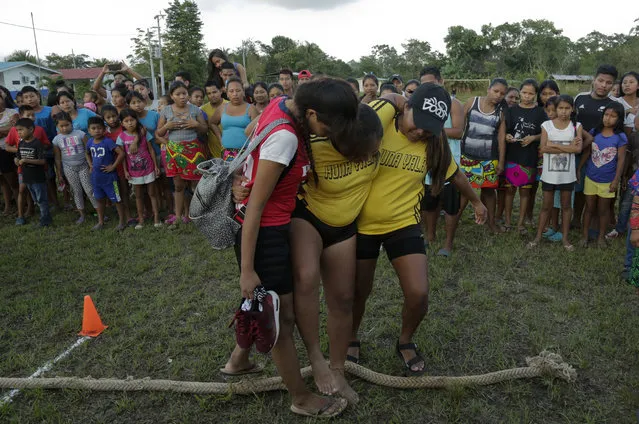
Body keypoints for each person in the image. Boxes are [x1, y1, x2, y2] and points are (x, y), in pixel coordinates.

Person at [223, 78, 360, 418]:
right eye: (328, 127)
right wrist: (247, 269)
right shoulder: (286, 137)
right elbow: (256, 208)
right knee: (280, 316)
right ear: (311, 113)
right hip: (263, 234)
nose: (330, 134)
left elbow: (252, 133)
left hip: (272, 227)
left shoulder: (283, 104)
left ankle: (238, 361)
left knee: (265, 304)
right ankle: (300, 397)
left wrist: (245, 172)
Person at [351, 84, 487, 378]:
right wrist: (390, 98)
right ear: (406, 107)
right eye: (419, 123)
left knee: (418, 293)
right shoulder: (380, 123)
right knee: (359, 291)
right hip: (361, 224)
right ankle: (350, 337)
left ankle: (405, 340)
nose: (422, 132)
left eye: (430, 128)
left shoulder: (433, 143)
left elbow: (455, 174)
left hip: (403, 222)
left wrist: (477, 202)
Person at [289, 103, 382, 402]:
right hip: (308, 216)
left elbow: (395, 101)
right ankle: (317, 360)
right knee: (306, 279)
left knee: (343, 298)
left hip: (345, 225)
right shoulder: (311, 141)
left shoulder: (373, 129)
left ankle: (338, 369)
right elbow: (259, 131)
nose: (369, 157)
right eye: (361, 153)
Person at [529, 95, 591, 250]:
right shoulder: (547, 125)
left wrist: (553, 145)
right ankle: (537, 237)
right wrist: (566, 147)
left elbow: (577, 149)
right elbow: (543, 148)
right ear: (555, 109)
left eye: (567, 108)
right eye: (561, 108)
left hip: (567, 175)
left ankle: (565, 239)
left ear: (572, 109)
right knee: (546, 206)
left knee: (566, 206)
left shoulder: (577, 126)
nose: (564, 112)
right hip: (549, 174)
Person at [419, 67, 466, 257]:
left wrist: (431, 129)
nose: (428, 88)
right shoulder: (421, 103)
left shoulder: (454, 104)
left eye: (432, 83)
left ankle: (447, 244)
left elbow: (458, 131)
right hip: (427, 161)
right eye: (424, 85)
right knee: (429, 204)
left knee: (451, 206)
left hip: (449, 162)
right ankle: (429, 237)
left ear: (441, 81)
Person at [573, 64, 620, 230]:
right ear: (594, 80)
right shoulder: (580, 98)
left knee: (596, 191)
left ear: (613, 85)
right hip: (579, 150)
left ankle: (594, 224)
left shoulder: (615, 103)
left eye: (609, 83)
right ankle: (576, 219)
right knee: (579, 187)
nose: (603, 85)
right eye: (600, 80)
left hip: (601, 155)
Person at [458, 78, 508, 233]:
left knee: (489, 191)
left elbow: (501, 139)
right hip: (467, 157)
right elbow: (459, 126)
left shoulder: (500, 113)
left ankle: (491, 224)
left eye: (502, 93)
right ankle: (454, 219)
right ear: (488, 89)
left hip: (488, 159)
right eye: (496, 91)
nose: (498, 95)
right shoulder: (472, 102)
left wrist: (501, 161)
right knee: (465, 192)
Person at [155, 81, 208, 228]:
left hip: (193, 151)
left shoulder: (195, 110)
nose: (182, 97)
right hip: (174, 151)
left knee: (196, 184)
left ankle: (199, 215)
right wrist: (167, 126)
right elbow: (158, 132)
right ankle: (178, 216)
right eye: (178, 94)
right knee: (178, 186)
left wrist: (196, 125)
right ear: (172, 96)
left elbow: (204, 129)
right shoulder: (165, 111)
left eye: (184, 93)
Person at [579, 102, 627, 247]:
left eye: (613, 116)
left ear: (619, 119)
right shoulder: (595, 132)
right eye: (606, 114)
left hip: (607, 180)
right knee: (589, 208)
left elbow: (621, 161)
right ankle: (585, 236)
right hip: (590, 177)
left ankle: (601, 237)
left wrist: (615, 180)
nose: (608, 118)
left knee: (603, 210)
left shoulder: (620, 137)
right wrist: (579, 168)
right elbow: (588, 152)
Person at [502, 79, 547, 234]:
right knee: (509, 190)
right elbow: (504, 129)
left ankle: (520, 224)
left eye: (531, 93)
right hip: (512, 155)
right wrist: (507, 136)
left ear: (536, 95)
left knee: (525, 191)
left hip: (529, 157)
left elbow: (545, 133)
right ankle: (507, 222)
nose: (527, 96)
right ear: (520, 92)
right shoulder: (511, 110)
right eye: (524, 92)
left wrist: (533, 138)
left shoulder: (540, 112)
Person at [5, 105, 51, 224]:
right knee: (35, 197)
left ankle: (45, 219)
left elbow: (42, 161)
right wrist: (17, 160)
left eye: (21, 130)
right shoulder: (21, 144)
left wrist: (26, 160)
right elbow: (18, 156)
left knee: (41, 198)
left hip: (38, 175)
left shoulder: (37, 143)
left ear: (31, 130)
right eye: (17, 130)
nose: (19, 133)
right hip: (26, 174)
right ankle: (31, 214)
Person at [117, 109, 161, 229]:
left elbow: (151, 150)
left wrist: (156, 166)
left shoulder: (144, 133)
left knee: (152, 193)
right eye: (126, 121)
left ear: (136, 120)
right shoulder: (121, 137)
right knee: (138, 196)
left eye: (132, 120)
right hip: (133, 172)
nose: (130, 123)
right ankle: (141, 219)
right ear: (122, 123)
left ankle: (156, 217)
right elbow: (124, 156)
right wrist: (125, 171)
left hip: (148, 168)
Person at [52, 112, 96, 225]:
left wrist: (91, 164)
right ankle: (82, 214)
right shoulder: (57, 140)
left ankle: (99, 211)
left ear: (71, 123)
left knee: (89, 190)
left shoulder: (80, 134)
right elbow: (58, 158)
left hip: (84, 165)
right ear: (57, 126)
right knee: (76, 191)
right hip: (69, 167)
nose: (64, 128)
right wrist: (59, 173)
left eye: (67, 125)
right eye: (61, 126)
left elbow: (89, 150)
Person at [85, 116, 126, 231]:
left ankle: (122, 222)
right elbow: (87, 153)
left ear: (104, 129)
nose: (97, 131)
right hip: (96, 178)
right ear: (89, 130)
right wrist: (90, 164)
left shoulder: (108, 142)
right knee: (99, 199)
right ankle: (101, 222)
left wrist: (113, 166)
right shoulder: (89, 142)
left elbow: (121, 154)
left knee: (117, 199)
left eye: (99, 128)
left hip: (110, 178)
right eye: (93, 128)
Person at [210, 78, 258, 162]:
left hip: (247, 153)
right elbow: (212, 123)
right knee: (228, 175)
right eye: (231, 91)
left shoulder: (251, 108)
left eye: (238, 90)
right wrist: (220, 138)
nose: (235, 94)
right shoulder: (222, 108)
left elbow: (259, 130)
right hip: (226, 153)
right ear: (227, 93)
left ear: (243, 92)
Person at [101, 105, 134, 226]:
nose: (112, 119)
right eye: (108, 117)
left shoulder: (124, 128)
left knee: (125, 191)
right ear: (104, 119)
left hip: (125, 165)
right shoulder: (104, 133)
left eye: (114, 116)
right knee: (117, 191)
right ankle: (122, 214)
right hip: (112, 167)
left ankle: (129, 215)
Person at [0, 92, 19, 216]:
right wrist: (5, 129)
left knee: (12, 180)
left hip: (7, 150)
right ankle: (7, 206)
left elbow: (14, 130)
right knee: (2, 181)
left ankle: (19, 204)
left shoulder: (12, 112)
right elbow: (7, 130)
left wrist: (7, 130)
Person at [201, 80, 227, 159]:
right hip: (213, 154)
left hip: (231, 150)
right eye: (209, 93)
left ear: (221, 91)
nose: (212, 95)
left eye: (214, 92)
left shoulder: (229, 105)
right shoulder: (203, 110)